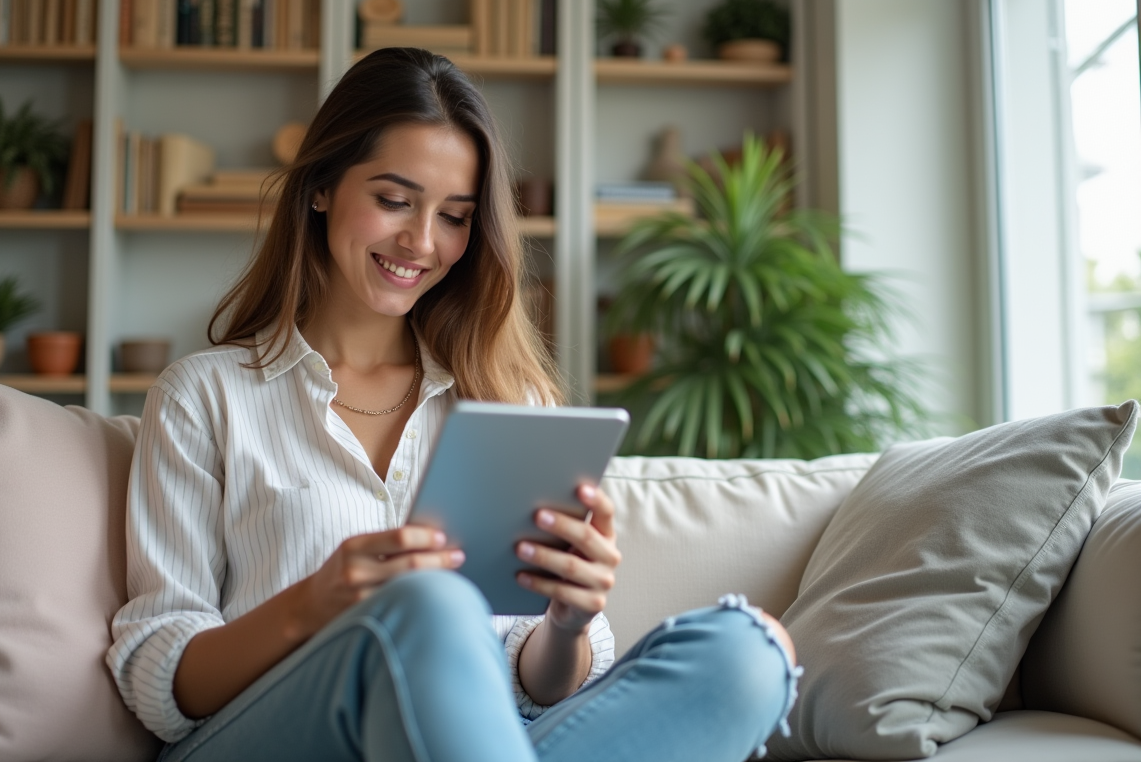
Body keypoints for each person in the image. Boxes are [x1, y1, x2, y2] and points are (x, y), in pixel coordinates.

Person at [108, 47, 800, 762]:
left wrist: (566, 622)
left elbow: (538, 687)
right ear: (319, 187)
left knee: (748, 652)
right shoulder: (206, 396)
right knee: (432, 602)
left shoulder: (510, 399)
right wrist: (311, 605)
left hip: (483, 740)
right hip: (273, 740)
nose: (421, 241)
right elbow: (162, 680)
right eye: (393, 199)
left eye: (455, 216)